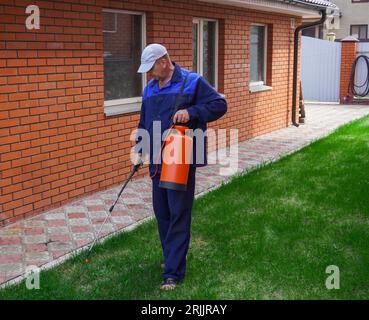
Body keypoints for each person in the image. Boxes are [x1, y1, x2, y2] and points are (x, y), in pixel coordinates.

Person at [134, 43, 227, 290]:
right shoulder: (150, 89)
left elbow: (220, 105)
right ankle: (171, 259)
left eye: (151, 68)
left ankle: (173, 273)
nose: (149, 74)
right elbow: (144, 120)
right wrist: (140, 148)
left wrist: (192, 111)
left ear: (164, 61)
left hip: (180, 156)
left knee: (178, 213)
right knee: (162, 211)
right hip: (156, 158)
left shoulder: (192, 82)